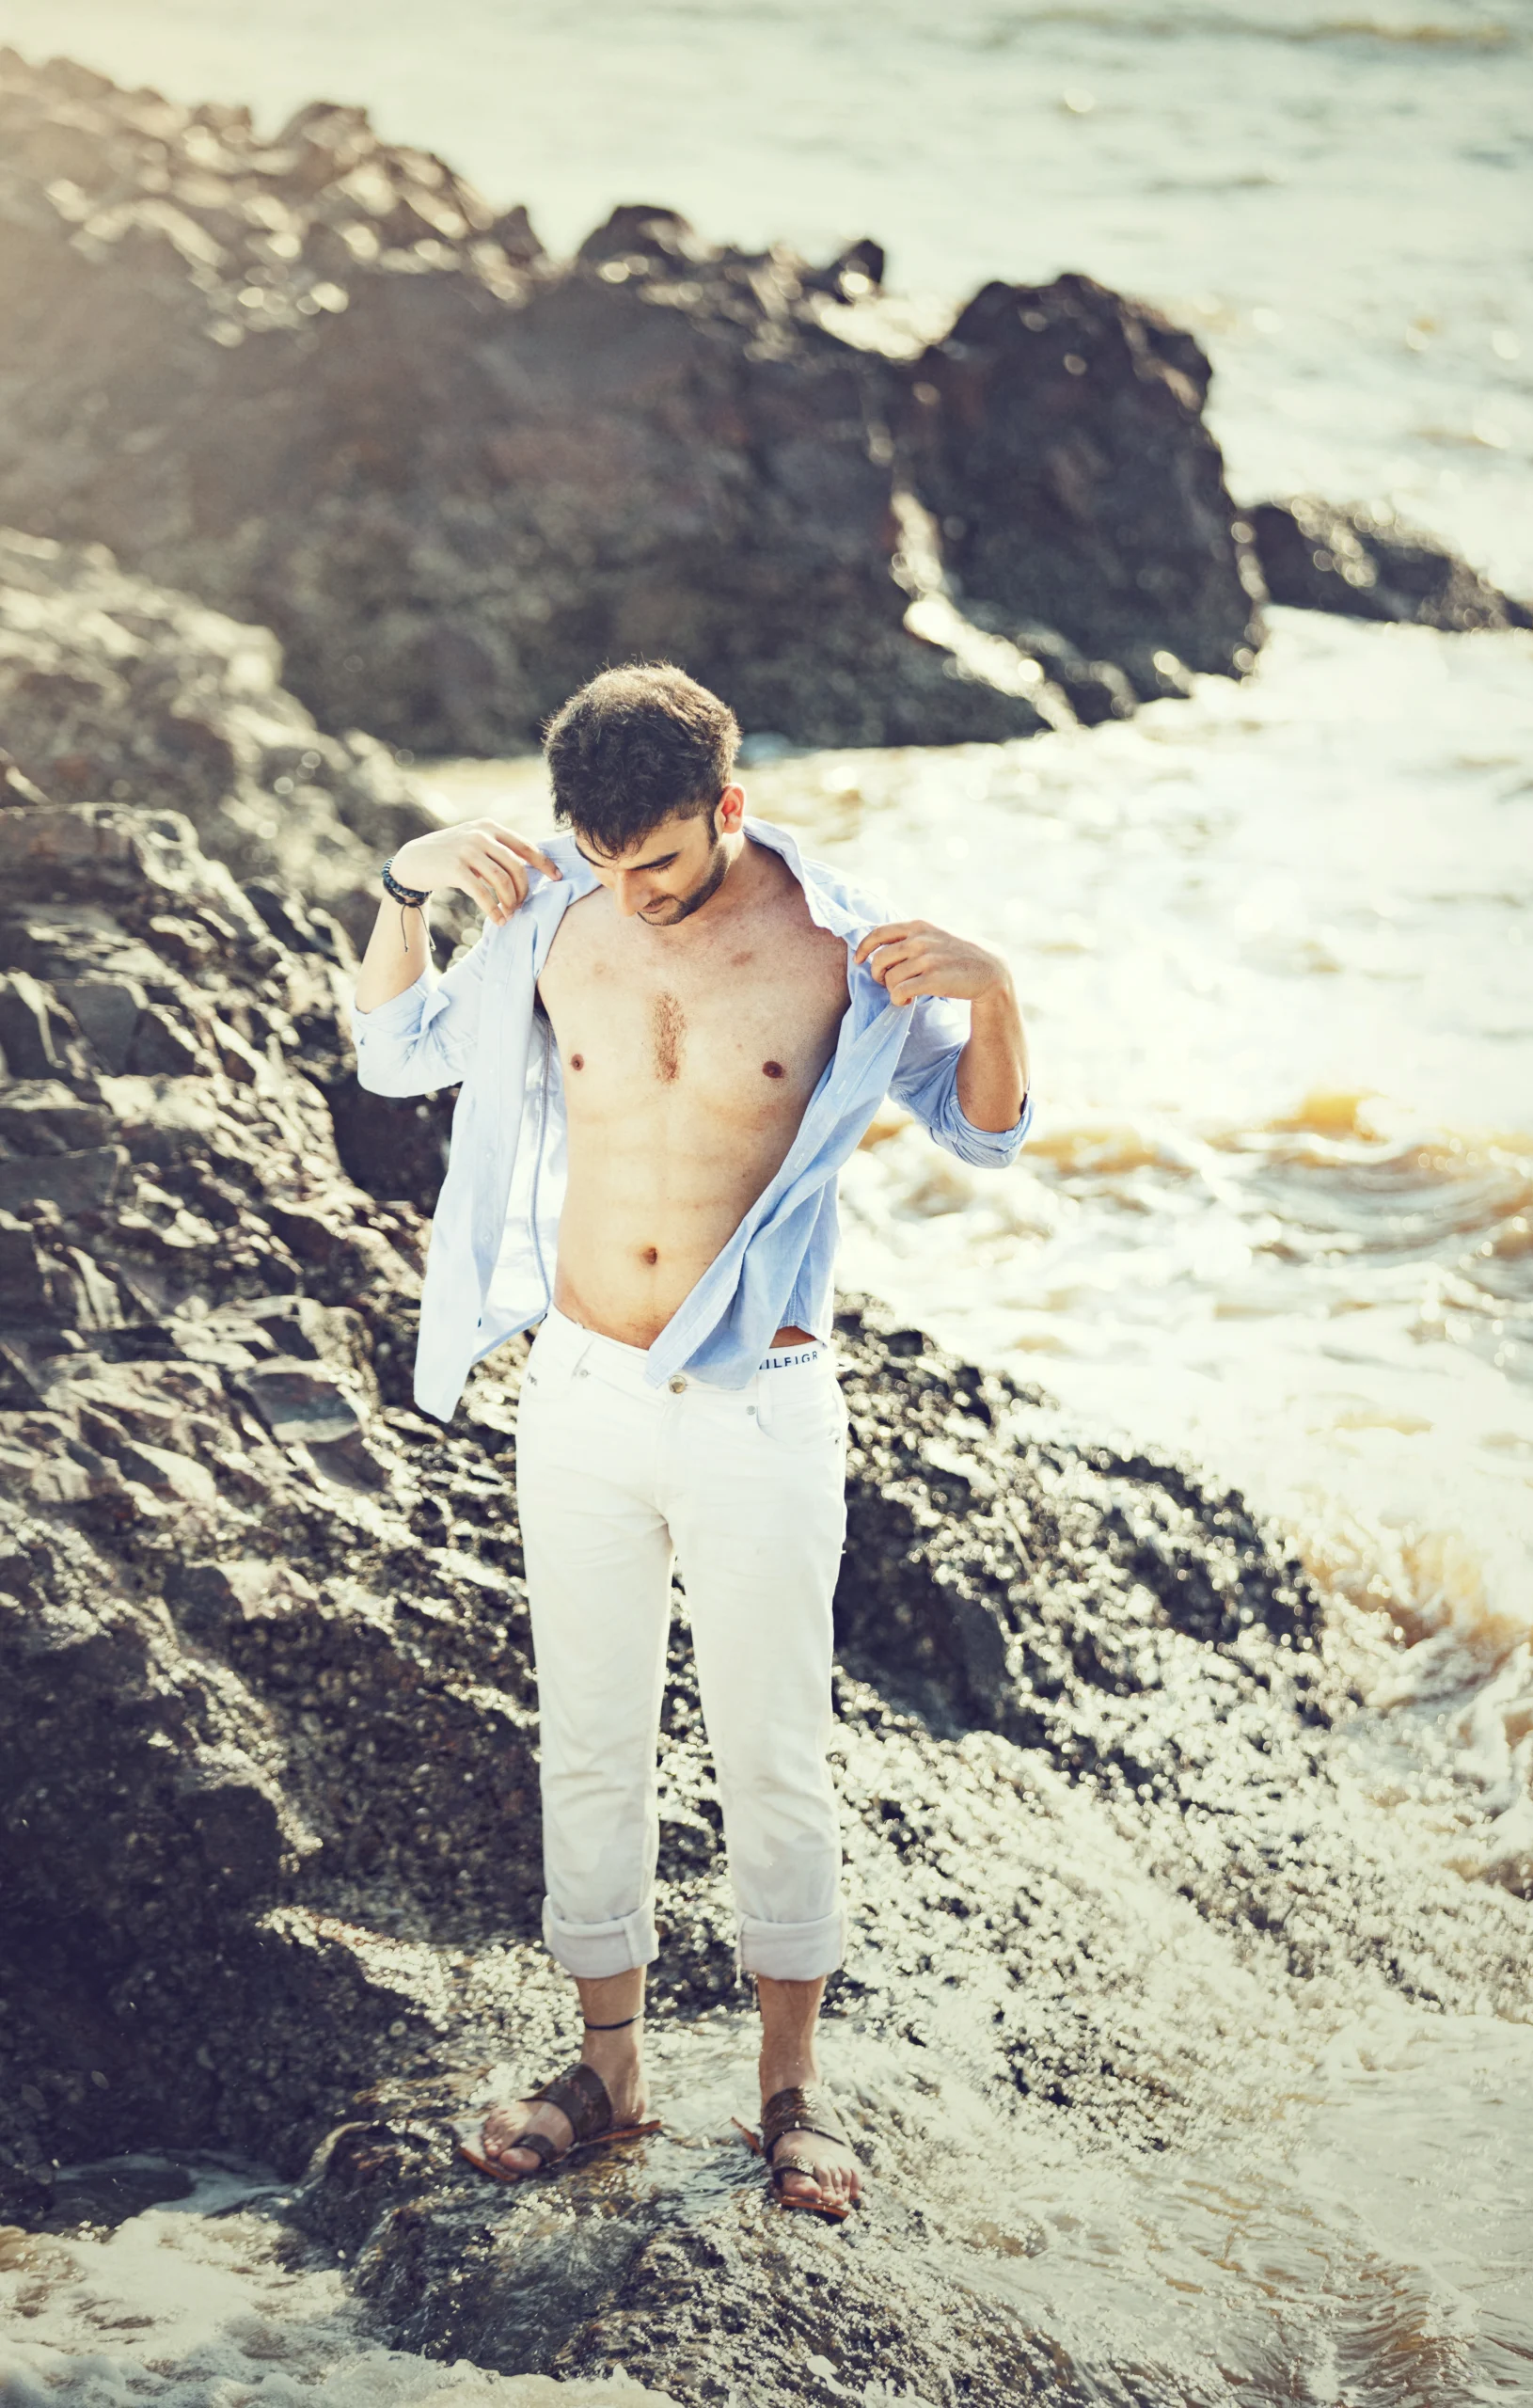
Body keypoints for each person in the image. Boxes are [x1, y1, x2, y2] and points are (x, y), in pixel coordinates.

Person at [351, 662, 1030, 2219]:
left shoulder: (848, 950)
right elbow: (396, 1053)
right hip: (578, 1393)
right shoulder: (551, 917)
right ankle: (608, 2068)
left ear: (726, 806)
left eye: (655, 859)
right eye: (603, 861)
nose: (631, 893)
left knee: (770, 1749)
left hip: (756, 1403)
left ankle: (789, 2093)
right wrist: (408, 889)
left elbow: (986, 1127)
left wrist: (990, 989)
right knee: (588, 1737)